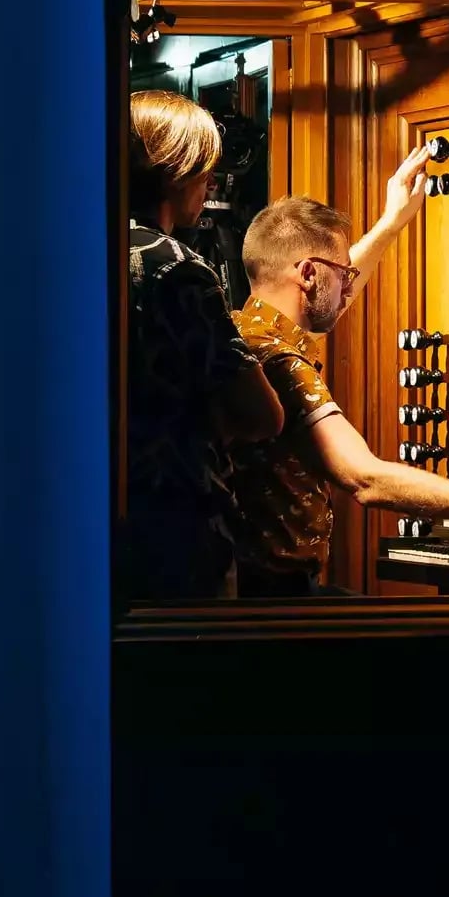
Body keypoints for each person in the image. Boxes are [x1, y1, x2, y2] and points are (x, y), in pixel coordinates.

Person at [225, 173, 449, 597]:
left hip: (256, 583)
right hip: (275, 597)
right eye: (345, 273)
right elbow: (364, 478)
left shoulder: (244, 329)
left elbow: (329, 292)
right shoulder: (280, 359)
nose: (348, 288)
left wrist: (391, 222)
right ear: (307, 274)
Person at [121, 90, 284, 602]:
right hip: (174, 527)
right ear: (175, 171)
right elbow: (261, 414)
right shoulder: (179, 269)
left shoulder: (82, 246)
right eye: (204, 168)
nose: (211, 183)